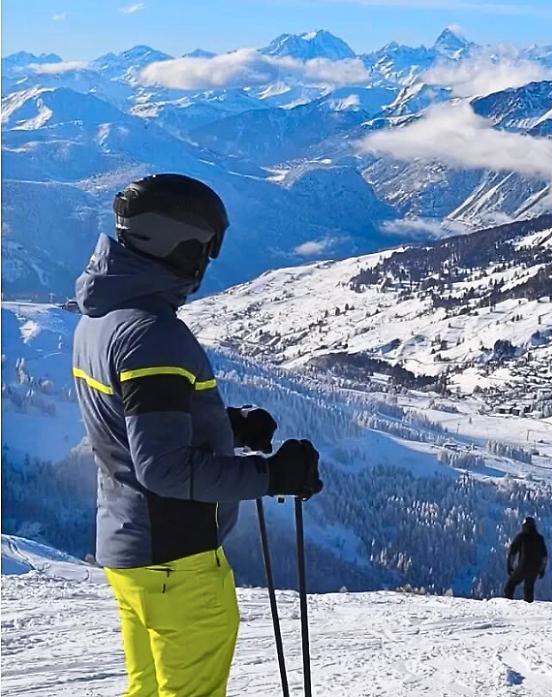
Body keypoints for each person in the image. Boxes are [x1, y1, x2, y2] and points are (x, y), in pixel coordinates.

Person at [72, 173, 324, 697]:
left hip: (130, 552)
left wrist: (225, 428)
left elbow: (129, 427)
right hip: (177, 561)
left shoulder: (101, 318)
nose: (206, 262)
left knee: (147, 690)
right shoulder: (151, 335)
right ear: (177, 242)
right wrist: (272, 474)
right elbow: (163, 468)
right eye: (205, 247)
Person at [503, 517, 548, 603]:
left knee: (509, 587)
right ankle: (528, 610)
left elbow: (512, 552)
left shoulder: (521, 537)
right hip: (535, 568)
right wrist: (542, 569)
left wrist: (509, 566)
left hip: (523, 567)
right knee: (529, 589)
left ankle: (508, 607)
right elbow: (544, 556)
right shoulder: (539, 538)